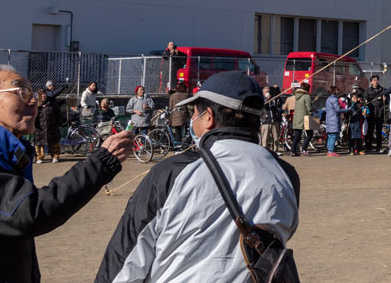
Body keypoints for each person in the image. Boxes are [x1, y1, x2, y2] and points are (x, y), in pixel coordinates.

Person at [94, 71, 300, 283]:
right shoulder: (287, 174)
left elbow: (126, 257)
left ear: (208, 117)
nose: (192, 119)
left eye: (194, 112)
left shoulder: (174, 171)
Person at [0, 63, 132, 283]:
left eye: (33, 93)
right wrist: (100, 163)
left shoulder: (5, 153)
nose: (33, 100)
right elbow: (28, 212)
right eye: (21, 92)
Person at [288, 81, 313, 157]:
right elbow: (308, 108)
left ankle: (293, 151)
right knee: (309, 134)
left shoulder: (297, 96)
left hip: (297, 117)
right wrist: (311, 114)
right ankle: (304, 149)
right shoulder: (306, 96)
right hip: (305, 117)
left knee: (297, 135)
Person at [365, 75, 387, 153]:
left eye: (377, 80)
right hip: (371, 112)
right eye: (374, 80)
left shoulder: (383, 89)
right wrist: (366, 111)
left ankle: (379, 147)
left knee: (379, 130)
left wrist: (385, 99)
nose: (376, 81)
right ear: (371, 82)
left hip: (380, 112)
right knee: (370, 130)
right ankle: (368, 147)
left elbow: (388, 101)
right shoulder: (368, 90)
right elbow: (365, 101)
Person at [323, 86, 347, 157]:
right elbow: (338, 109)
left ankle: (329, 151)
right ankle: (331, 151)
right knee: (333, 136)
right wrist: (347, 109)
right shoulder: (334, 99)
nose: (338, 91)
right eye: (337, 90)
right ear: (334, 91)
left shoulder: (328, 99)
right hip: (334, 119)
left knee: (330, 136)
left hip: (329, 119)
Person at [168, 82, 190, 146]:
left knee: (177, 131)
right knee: (186, 132)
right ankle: (186, 145)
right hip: (185, 116)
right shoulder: (187, 95)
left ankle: (178, 145)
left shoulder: (173, 96)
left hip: (175, 116)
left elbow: (170, 107)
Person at [260, 85, 282, 151]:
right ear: (263, 92)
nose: (268, 93)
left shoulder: (274, 99)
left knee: (275, 138)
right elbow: (261, 106)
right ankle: (264, 150)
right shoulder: (261, 99)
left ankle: (275, 150)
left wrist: (277, 89)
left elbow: (279, 104)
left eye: (269, 91)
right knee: (265, 138)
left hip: (274, 120)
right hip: (265, 121)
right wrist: (267, 98)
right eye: (266, 91)